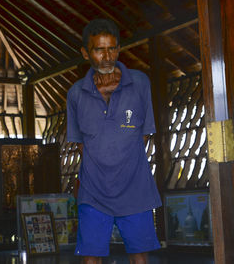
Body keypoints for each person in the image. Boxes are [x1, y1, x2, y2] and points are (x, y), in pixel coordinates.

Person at [66, 18, 162, 264]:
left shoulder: (140, 83)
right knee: (91, 259)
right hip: (93, 191)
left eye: (112, 48)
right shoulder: (76, 93)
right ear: (86, 53)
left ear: (119, 49)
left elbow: (143, 134)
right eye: (99, 49)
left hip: (134, 187)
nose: (107, 56)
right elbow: (80, 143)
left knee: (139, 256)